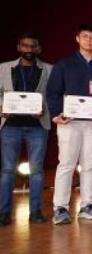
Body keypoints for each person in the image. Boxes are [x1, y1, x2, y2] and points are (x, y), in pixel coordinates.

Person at [45, 23, 92, 225]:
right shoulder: (64, 65)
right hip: (69, 122)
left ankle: (87, 205)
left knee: (89, 164)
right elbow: (53, 92)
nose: (89, 40)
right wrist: (56, 114)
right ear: (77, 39)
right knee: (66, 163)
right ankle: (60, 207)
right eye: (85, 36)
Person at [0, 33, 52, 225]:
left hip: (37, 126)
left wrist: (43, 109)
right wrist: (2, 107)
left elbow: (53, 95)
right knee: (7, 170)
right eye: (25, 46)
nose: (29, 49)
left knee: (36, 170)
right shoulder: (3, 68)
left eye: (33, 46)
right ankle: (4, 212)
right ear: (18, 47)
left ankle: (35, 211)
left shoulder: (49, 69)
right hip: (10, 126)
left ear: (38, 49)